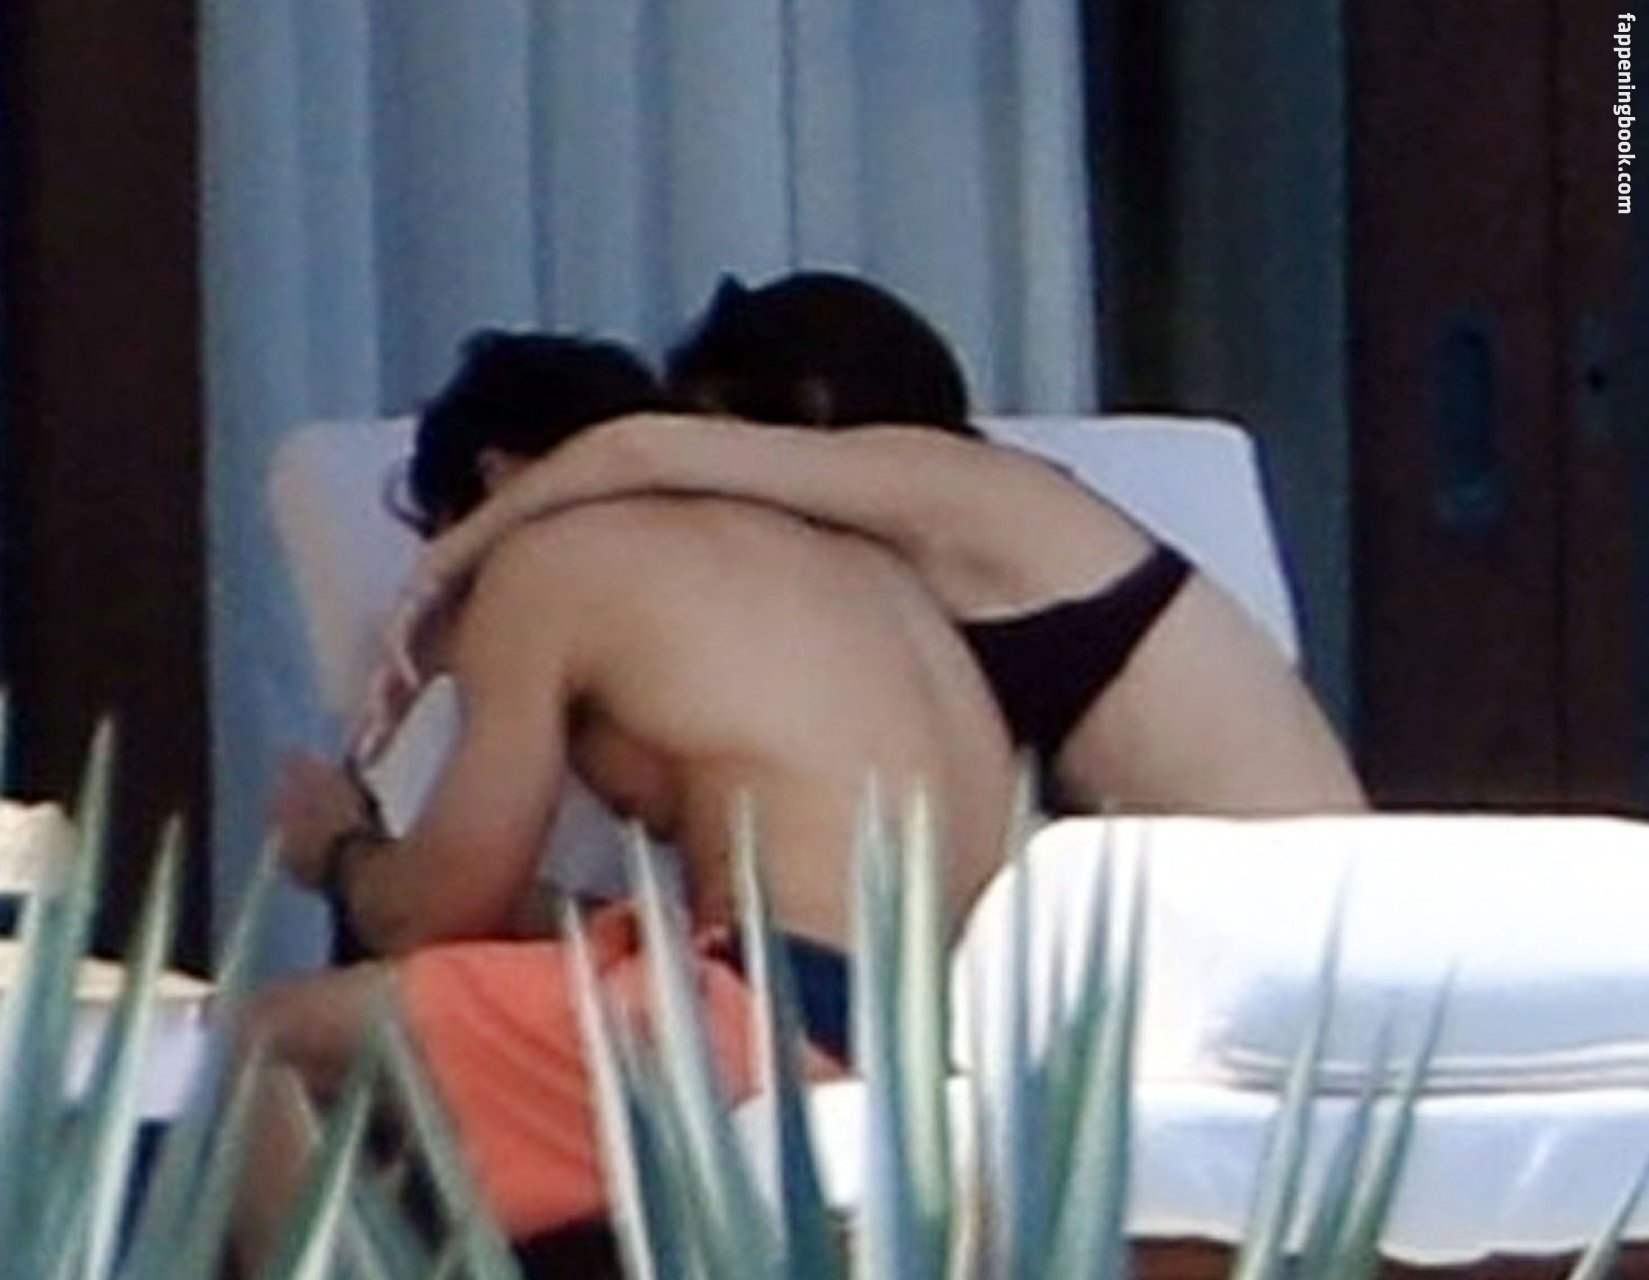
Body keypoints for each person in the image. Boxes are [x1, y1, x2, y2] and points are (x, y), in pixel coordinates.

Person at [239, 330, 1015, 1265]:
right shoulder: (850, 560)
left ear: (495, 479)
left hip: (773, 1022)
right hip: (965, 1036)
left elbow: (433, 914)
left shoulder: (551, 557)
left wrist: (340, 849)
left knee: (258, 1045)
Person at [359, 272, 1367, 816]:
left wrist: (444, 565)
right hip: (1232, 894)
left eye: (728, 438)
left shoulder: (944, 484)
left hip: (1274, 893)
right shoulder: (934, 543)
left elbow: (636, 448)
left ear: (805, 408)